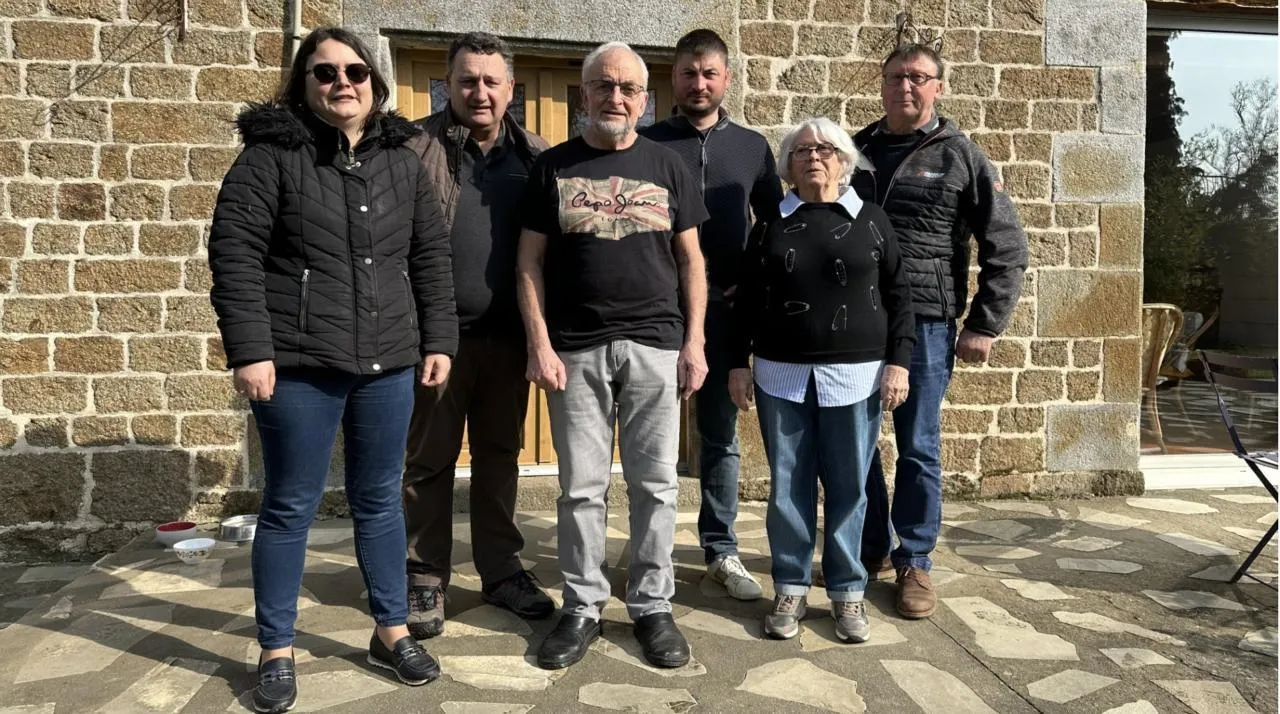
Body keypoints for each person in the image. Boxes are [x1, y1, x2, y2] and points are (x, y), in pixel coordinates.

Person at [208, 27, 457, 713]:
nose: (341, 82)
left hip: (388, 361)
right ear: (303, 85)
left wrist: (439, 337)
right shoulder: (270, 158)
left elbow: (429, 256)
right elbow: (234, 255)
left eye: (354, 71)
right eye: (324, 72)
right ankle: (276, 648)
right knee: (291, 505)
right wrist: (251, 350)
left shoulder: (402, 161)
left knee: (379, 499)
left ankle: (391, 630)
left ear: (374, 82)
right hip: (299, 363)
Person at [516, 41, 710, 671]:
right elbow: (529, 264)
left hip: (656, 345)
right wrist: (539, 343)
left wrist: (695, 342)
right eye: (604, 85)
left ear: (645, 98)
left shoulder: (669, 164)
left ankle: (652, 606)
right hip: (574, 349)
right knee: (581, 488)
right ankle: (582, 606)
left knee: (656, 485)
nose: (616, 98)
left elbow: (691, 261)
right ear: (584, 92)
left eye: (628, 88)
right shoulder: (552, 167)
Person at [852, 43, 1028, 620]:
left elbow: (1007, 246)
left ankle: (915, 560)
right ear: (882, 84)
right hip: (856, 323)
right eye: (896, 76)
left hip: (927, 322)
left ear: (938, 87)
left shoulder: (961, 156)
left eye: (918, 77)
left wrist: (984, 323)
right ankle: (871, 547)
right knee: (856, 445)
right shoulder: (855, 150)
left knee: (918, 447)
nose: (906, 86)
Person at [728, 117, 914, 643]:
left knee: (850, 486)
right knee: (788, 487)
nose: (814, 157)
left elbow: (900, 296)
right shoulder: (770, 222)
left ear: (844, 161)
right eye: (802, 150)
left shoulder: (871, 220)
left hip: (856, 375)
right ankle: (790, 585)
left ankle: (847, 590)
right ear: (788, 165)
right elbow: (746, 299)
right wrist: (737, 362)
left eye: (825, 149)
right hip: (780, 374)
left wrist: (899, 363)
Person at [401, 31, 554, 641]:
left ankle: (501, 570)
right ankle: (424, 574)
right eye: (467, 80)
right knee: (428, 460)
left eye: (492, 81)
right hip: (436, 340)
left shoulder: (538, 157)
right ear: (448, 85)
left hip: (509, 339)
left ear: (512, 89)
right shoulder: (413, 147)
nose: (480, 92)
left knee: (499, 456)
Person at [639, 28, 782, 601]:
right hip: (653, 310)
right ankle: (647, 552)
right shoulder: (646, 143)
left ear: (726, 79)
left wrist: (753, 284)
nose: (698, 83)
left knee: (720, 436)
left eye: (709, 73)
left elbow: (774, 226)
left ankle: (720, 549)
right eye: (688, 73)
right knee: (646, 437)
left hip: (724, 312)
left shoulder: (751, 147)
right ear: (672, 77)